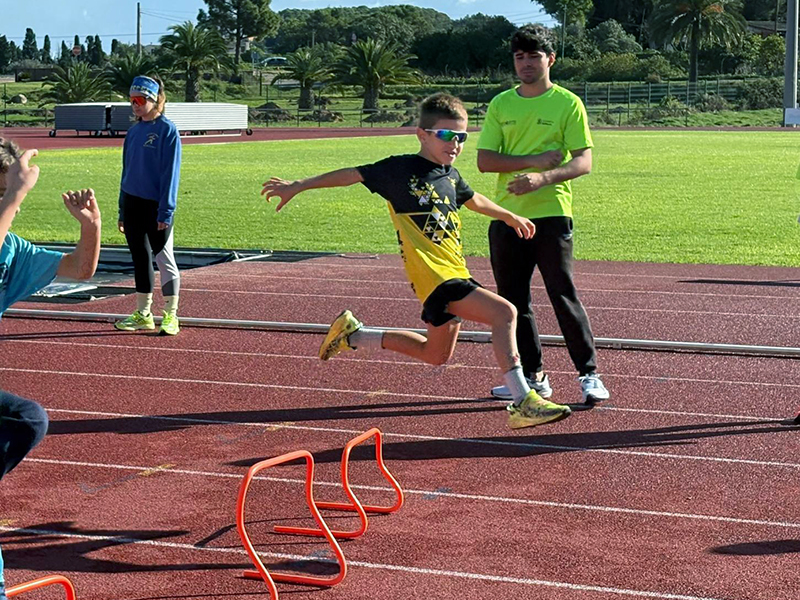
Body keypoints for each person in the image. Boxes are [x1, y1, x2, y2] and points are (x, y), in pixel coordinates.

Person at [262, 93, 572, 430]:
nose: (455, 144)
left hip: (454, 270)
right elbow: (351, 174)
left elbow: (474, 199)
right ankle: (523, 398)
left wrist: (509, 215)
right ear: (421, 134)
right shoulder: (399, 169)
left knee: (435, 355)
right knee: (505, 312)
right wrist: (299, 185)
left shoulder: (450, 175)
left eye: (462, 137)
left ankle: (355, 335)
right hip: (435, 275)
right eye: (445, 135)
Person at [476, 25, 610, 405]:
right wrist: (533, 161)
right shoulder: (502, 103)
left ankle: (589, 375)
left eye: (534, 56)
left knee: (562, 294)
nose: (526, 64)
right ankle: (534, 378)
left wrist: (543, 178)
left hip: (551, 214)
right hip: (506, 216)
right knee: (513, 302)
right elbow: (485, 160)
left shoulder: (567, 103)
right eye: (519, 57)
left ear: (551, 59)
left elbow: (584, 161)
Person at [0, 138, 101, 600]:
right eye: (2, 192)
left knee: (28, 419)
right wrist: (14, 194)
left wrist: (90, 229)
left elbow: (80, 270)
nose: (12, 203)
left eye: (10, 192)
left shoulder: (12, 251)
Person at [115, 75, 182, 336]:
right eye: (132, 100)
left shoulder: (167, 130)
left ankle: (171, 315)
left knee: (164, 258)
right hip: (132, 204)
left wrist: (166, 210)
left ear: (155, 100)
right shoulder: (132, 133)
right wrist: (122, 209)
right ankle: (143, 313)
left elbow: (170, 174)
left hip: (156, 206)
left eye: (140, 100)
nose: (135, 105)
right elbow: (126, 172)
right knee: (140, 258)